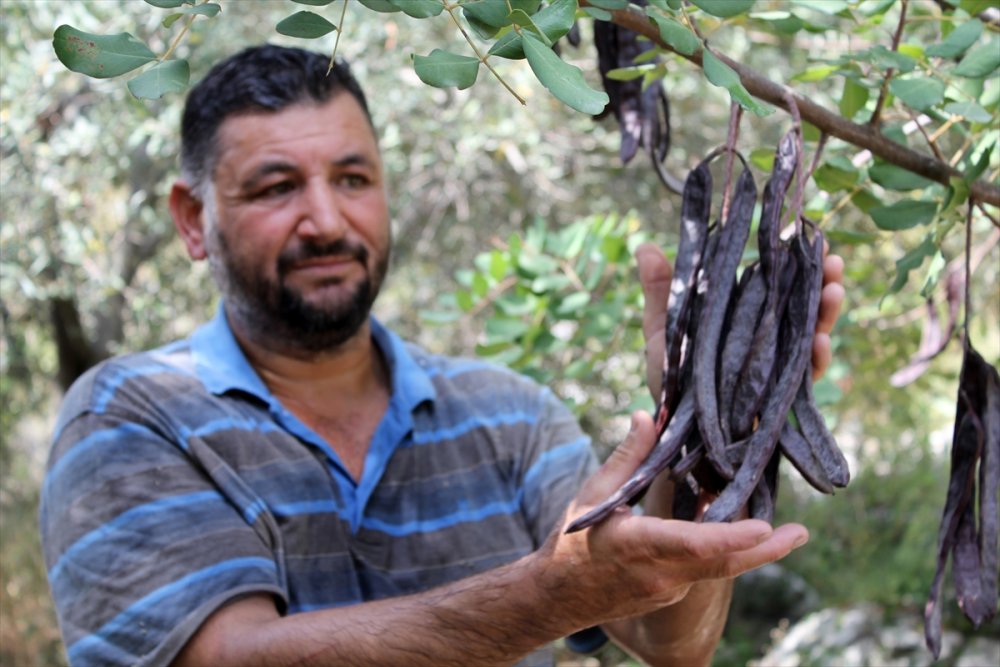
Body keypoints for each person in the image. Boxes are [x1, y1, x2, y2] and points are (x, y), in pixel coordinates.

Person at [40, 45, 845, 667]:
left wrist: (704, 424)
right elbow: (227, 658)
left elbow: (669, 642)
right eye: (276, 186)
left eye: (352, 177)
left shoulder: (510, 413)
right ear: (191, 218)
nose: (325, 218)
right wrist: (543, 594)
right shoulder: (130, 414)